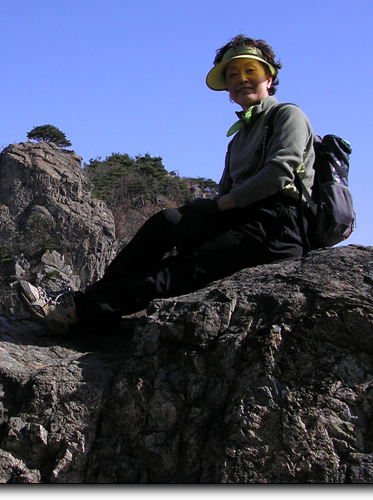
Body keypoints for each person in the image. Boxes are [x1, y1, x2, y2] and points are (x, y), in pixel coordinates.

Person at [17, 34, 316, 335]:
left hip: (277, 227)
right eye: (233, 74)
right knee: (167, 220)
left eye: (250, 70)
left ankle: (79, 312)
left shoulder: (287, 115)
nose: (242, 79)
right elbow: (226, 191)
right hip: (241, 216)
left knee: (186, 267)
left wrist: (223, 205)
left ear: (269, 76)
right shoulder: (239, 137)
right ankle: (91, 308)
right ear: (227, 88)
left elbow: (280, 172)